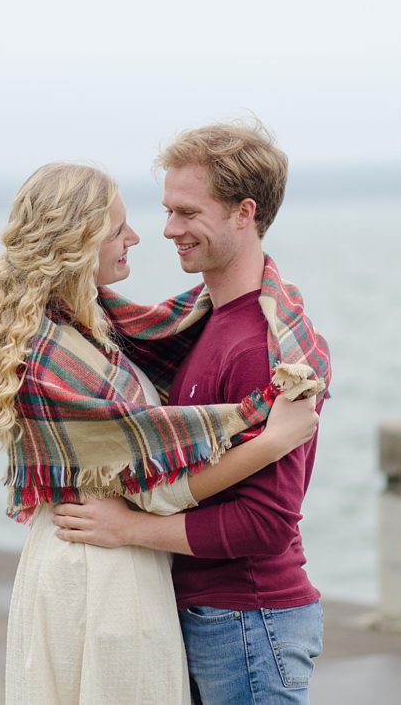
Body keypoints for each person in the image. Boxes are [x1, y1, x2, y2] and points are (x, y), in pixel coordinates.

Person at [0, 161, 325, 704]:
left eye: (183, 211)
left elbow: (170, 342)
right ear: (78, 241)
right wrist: (270, 438)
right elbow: (152, 481)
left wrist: (275, 295)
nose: (140, 236)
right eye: (117, 229)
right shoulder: (53, 355)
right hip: (99, 571)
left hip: (104, 558)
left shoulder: (93, 328)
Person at [53, 122, 329, 703]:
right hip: (215, 616)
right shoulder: (203, 322)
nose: (168, 229)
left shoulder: (259, 346)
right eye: (167, 209)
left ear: (243, 212)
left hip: (248, 623)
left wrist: (130, 528)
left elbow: (266, 521)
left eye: (186, 212)